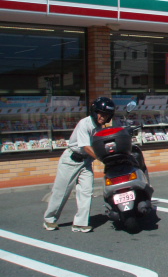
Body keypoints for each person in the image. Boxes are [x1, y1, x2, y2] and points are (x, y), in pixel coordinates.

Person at [43, 97, 115, 233]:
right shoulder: (85, 124)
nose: (102, 117)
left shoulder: (99, 128)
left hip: (86, 161)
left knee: (86, 191)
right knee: (61, 191)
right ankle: (49, 219)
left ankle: (80, 223)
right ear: (94, 111)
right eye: (101, 113)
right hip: (71, 160)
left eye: (106, 115)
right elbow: (86, 147)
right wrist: (104, 159)